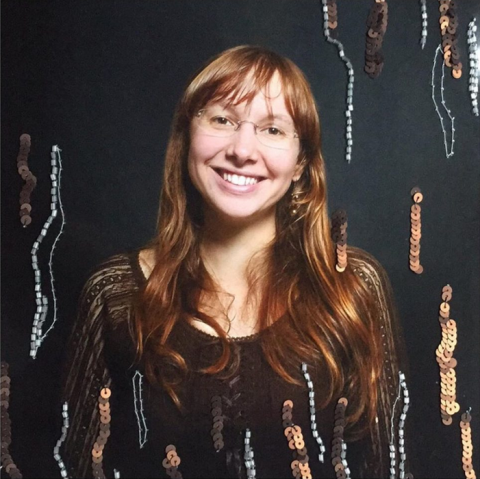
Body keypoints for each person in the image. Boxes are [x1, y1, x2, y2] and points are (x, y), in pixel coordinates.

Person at [61, 45, 409, 479]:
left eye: (273, 129)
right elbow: (73, 466)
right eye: (222, 120)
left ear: (300, 163)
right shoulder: (115, 295)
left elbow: (391, 466)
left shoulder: (353, 287)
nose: (242, 150)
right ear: (187, 137)